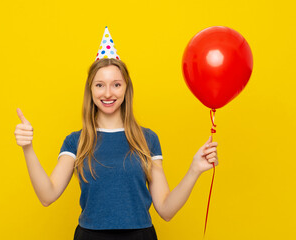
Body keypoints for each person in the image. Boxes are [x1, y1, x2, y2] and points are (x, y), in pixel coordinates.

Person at [14, 27, 218, 240]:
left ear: (126, 88)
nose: (108, 93)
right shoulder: (76, 141)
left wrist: (194, 169)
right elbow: (47, 195)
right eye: (100, 85)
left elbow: (166, 210)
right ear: (91, 90)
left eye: (116, 84)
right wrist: (27, 149)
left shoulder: (147, 139)